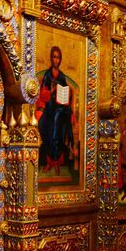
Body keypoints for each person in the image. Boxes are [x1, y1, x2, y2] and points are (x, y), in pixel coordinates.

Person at [36, 46, 75, 175]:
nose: (56, 60)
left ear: (60, 59)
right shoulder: (47, 75)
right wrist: (51, 91)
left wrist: (67, 94)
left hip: (60, 109)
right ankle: (49, 162)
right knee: (43, 127)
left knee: (58, 132)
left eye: (58, 57)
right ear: (51, 58)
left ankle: (57, 162)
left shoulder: (62, 76)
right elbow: (42, 94)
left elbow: (65, 92)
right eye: (54, 57)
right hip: (49, 109)